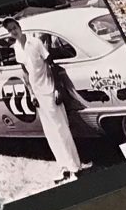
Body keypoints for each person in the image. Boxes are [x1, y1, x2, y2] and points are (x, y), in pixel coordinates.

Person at [10, 20, 89, 185]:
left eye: (14, 28)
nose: (14, 31)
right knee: (50, 133)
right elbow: (25, 72)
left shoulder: (35, 42)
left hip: (49, 89)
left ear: (19, 27)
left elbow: (51, 64)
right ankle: (64, 167)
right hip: (38, 94)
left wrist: (57, 88)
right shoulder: (16, 47)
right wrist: (31, 93)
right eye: (10, 30)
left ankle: (75, 167)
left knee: (61, 129)